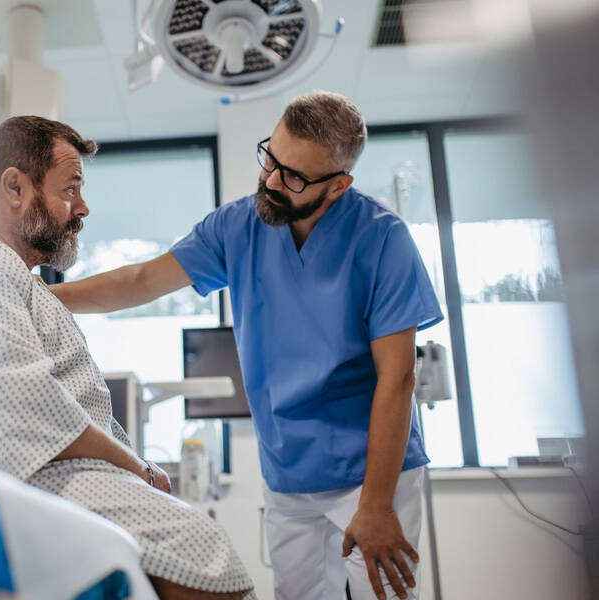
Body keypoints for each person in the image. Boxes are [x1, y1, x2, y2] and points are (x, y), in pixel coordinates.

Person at [51, 91, 443, 600]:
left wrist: (377, 502)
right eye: (270, 159)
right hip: (287, 470)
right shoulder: (238, 225)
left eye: (294, 177)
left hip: (371, 472)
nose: (272, 181)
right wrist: (41, 295)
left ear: (339, 186)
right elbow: (142, 281)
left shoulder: (382, 238)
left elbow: (399, 377)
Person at [0, 115, 256, 600]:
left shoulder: (12, 278)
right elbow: (12, 404)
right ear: (15, 187)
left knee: (194, 537)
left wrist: (135, 470)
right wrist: (139, 470)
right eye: (70, 189)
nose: (83, 207)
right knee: (197, 546)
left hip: (34, 468)